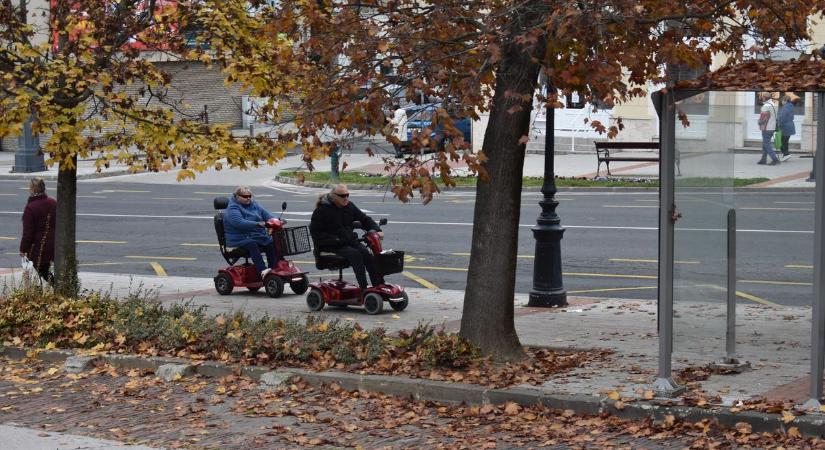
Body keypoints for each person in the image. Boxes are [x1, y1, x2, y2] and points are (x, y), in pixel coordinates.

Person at [310, 184, 385, 290]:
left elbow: (364, 219)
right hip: (331, 245)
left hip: (348, 241)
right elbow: (315, 233)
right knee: (356, 255)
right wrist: (336, 239)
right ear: (333, 196)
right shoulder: (322, 211)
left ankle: (378, 285)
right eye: (342, 196)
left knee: (367, 254)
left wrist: (376, 230)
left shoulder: (349, 206)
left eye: (347, 195)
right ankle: (364, 288)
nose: (346, 198)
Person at [223, 186, 280, 279]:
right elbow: (239, 223)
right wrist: (257, 224)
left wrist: (277, 220)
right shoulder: (232, 209)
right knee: (251, 244)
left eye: (250, 196)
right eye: (245, 196)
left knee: (270, 242)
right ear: (237, 197)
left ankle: (273, 268)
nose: (248, 198)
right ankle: (262, 270)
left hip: (254, 236)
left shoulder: (254, 205)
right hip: (239, 238)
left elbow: (267, 215)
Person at [19, 177, 56, 283]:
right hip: (53, 242)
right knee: (46, 271)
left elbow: (28, 233)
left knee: (42, 271)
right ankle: (61, 290)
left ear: (32, 189)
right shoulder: (53, 202)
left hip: (39, 246)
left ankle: (61, 291)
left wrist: (23, 249)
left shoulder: (31, 207)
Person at [757, 92, 780, 166]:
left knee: (766, 144)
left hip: (766, 127)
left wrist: (759, 122)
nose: (762, 98)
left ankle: (775, 159)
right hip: (772, 127)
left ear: (764, 98)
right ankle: (763, 159)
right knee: (765, 143)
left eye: (763, 97)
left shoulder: (766, 106)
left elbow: (763, 117)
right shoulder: (774, 104)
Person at [778, 93, 800, 162]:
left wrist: (778, 124)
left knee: (781, 143)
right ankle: (785, 155)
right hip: (789, 126)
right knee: (785, 142)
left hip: (785, 127)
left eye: (782, 100)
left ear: (785, 100)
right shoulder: (790, 107)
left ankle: (786, 154)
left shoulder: (785, 108)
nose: (781, 102)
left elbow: (782, 118)